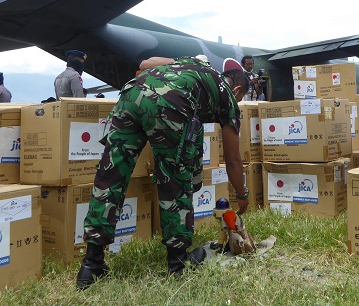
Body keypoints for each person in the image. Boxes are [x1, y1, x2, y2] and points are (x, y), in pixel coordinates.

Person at [76, 56, 250, 289]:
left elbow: (145, 64)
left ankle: (91, 265)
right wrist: (242, 194)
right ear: (237, 89)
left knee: (110, 177)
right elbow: (233, 159)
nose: (237, 102)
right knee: (175, 179)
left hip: (132, 95)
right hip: (173, 103)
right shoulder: (228, 97)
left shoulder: (193, 65)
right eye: (240, 98)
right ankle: (178, 263)